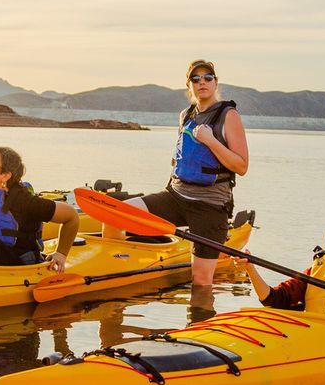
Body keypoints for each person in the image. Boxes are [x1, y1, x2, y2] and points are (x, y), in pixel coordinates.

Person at [104, 59, 249, 287]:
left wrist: (211, 141)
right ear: (188, 85)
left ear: (215, 82)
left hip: (209, 206)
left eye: (207, 77)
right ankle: (118, 275)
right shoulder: (186, 115)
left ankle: (201, 320)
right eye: (196, 78)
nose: (202, 82)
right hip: (175, 197)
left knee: (201, 281)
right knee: (114, 217)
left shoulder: (228, 115)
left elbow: (241, 166)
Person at [0, 147, 79, 268]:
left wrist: (61, 254)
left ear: (5, 175)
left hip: (20, 264)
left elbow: (71, 216)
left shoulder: (25, 202)